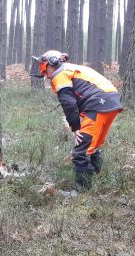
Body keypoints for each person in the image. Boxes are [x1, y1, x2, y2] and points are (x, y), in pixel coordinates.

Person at [31, 50, 123, 190]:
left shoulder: (60, 74)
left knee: (82, 150)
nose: (43, 70)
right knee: (93, 144)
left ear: (52, 63)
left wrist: (75, 128)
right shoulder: (70, 69)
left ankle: (81, 191)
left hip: (97, 104)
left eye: (43, 65)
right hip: (110, 101)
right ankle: (96, 178)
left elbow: (68, 103)